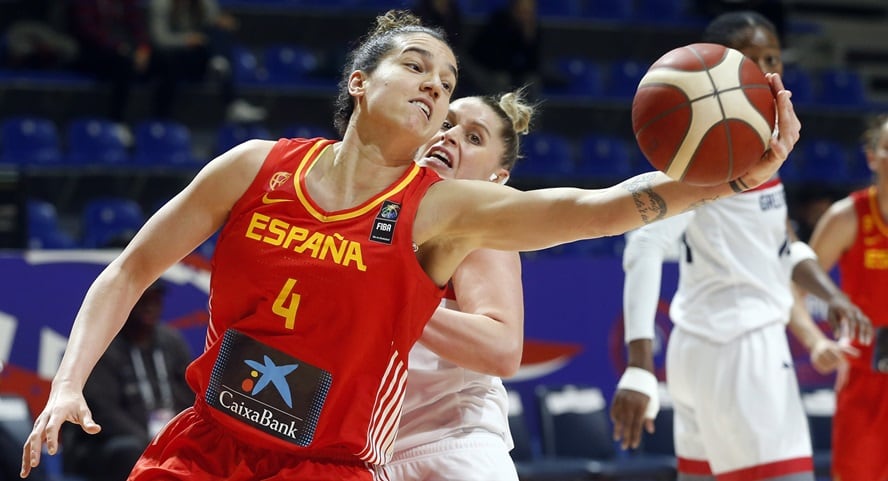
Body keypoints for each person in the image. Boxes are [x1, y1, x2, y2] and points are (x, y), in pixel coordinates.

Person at [21, 9, 801, 481]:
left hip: (325, 466)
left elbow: (597, 209)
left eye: (447, 76)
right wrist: (66, 384)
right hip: (207, 443)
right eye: (415, 65)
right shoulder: (254, 166)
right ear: (361, 81)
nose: (434, 84)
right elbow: (129, 271)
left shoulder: (441, 210)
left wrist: (738, 178)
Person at [610, 11, 872, 481]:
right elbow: (644, 248)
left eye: (773, 57)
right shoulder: (705, 159)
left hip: (705, 348)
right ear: (722, 71)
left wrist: (830, 296)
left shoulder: (756, 152)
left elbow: (784, 246)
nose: (768, 70)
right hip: (741, 348)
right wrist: (638, 365)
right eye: (753, 60)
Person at [387, 89, 532, 481]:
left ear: (497, 178)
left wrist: (390, 299)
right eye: (447, 124)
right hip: (369, 452)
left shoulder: (475, 226)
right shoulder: (377, 216)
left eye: (473, 137)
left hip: (453, 448)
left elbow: (501, 349)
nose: (449, 136)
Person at [807, 114, 888, 481]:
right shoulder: (847, 217)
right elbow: (795, 282)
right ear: (873, 157)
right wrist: (815, 339)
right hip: (865, 375)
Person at [59, 279, 194, 481]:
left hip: (160, 435)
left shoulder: (171, 341)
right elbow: (104, 414)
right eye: (143, 299)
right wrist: (153, 443)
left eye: (155, 299)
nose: (150, 306)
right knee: (130, 450)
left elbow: (191, 392)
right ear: (126, 302)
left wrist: (179, 435)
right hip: (100, 445)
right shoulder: (101, 345)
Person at [147, 0, 266, 123]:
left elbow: (212, 22)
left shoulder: (203, 3)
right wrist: (187, 40)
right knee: (168, 62)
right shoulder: (161, 4)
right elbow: (159, 39)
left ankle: (220, 66)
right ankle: (161, 118)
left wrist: (223, 22)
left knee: (220, 33)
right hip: (172, 57)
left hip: (197, 56)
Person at [67, 0, 153, 124]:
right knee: (123, 66)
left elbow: (138, 26)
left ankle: (160, 121)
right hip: (95, 52)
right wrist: (118, 47)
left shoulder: (127, 3)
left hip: (128, 51)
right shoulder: (85, 3)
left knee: (164, 62)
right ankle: (116, 121)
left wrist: (143, 49)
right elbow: (87, 30)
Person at [469, 0, 541, 96]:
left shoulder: (531, 28)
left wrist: (528, 39)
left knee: (532, 81)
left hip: (513, 71)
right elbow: (496, 58)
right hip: (484, 68)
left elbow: (533, 65)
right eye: (523, 11)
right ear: (514, 8)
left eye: (529, 12)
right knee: (502, 79)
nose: (525, 16)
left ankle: (528, 110)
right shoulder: (499, 22)